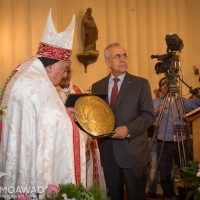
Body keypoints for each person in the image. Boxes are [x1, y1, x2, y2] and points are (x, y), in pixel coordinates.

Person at [0, 9, 88, 192]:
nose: (65, 74)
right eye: (64, 69)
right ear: (49, 67)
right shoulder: (37, 84)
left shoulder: (25, 72)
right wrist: (74, 126)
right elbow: (56, 127)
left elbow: (40, 118)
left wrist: (62, 113)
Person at [91, 42, 154, 200]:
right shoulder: (97, 86)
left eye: (124, 55)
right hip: (109, 153)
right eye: (117, 56)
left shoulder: (141, 84)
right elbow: (96, 117)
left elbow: (148, 115)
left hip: (133, 152)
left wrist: (128, 129)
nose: (123, 59)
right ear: (107, 62)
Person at [56, 64, 106, 191]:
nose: (66, 75)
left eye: (69, 71)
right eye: (64, 71)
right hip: (63, 144)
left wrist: (87, 141)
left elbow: (88, 116)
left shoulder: (78, 91)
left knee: (86, 178)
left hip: (85, 141)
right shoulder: (53, 92)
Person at [154, 77, 200, 199]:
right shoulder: (157, 102)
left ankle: (189, 195)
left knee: (187, 170)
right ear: (160, 88)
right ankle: (169, 195)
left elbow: (197, 103)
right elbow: (150, 115)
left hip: (181, 142)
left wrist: (197, 93)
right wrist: (157, 112)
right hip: (164, 143)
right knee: (165, 172)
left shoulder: (181, 101)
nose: (166, 85)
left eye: (168, 82)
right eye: (163, 84)